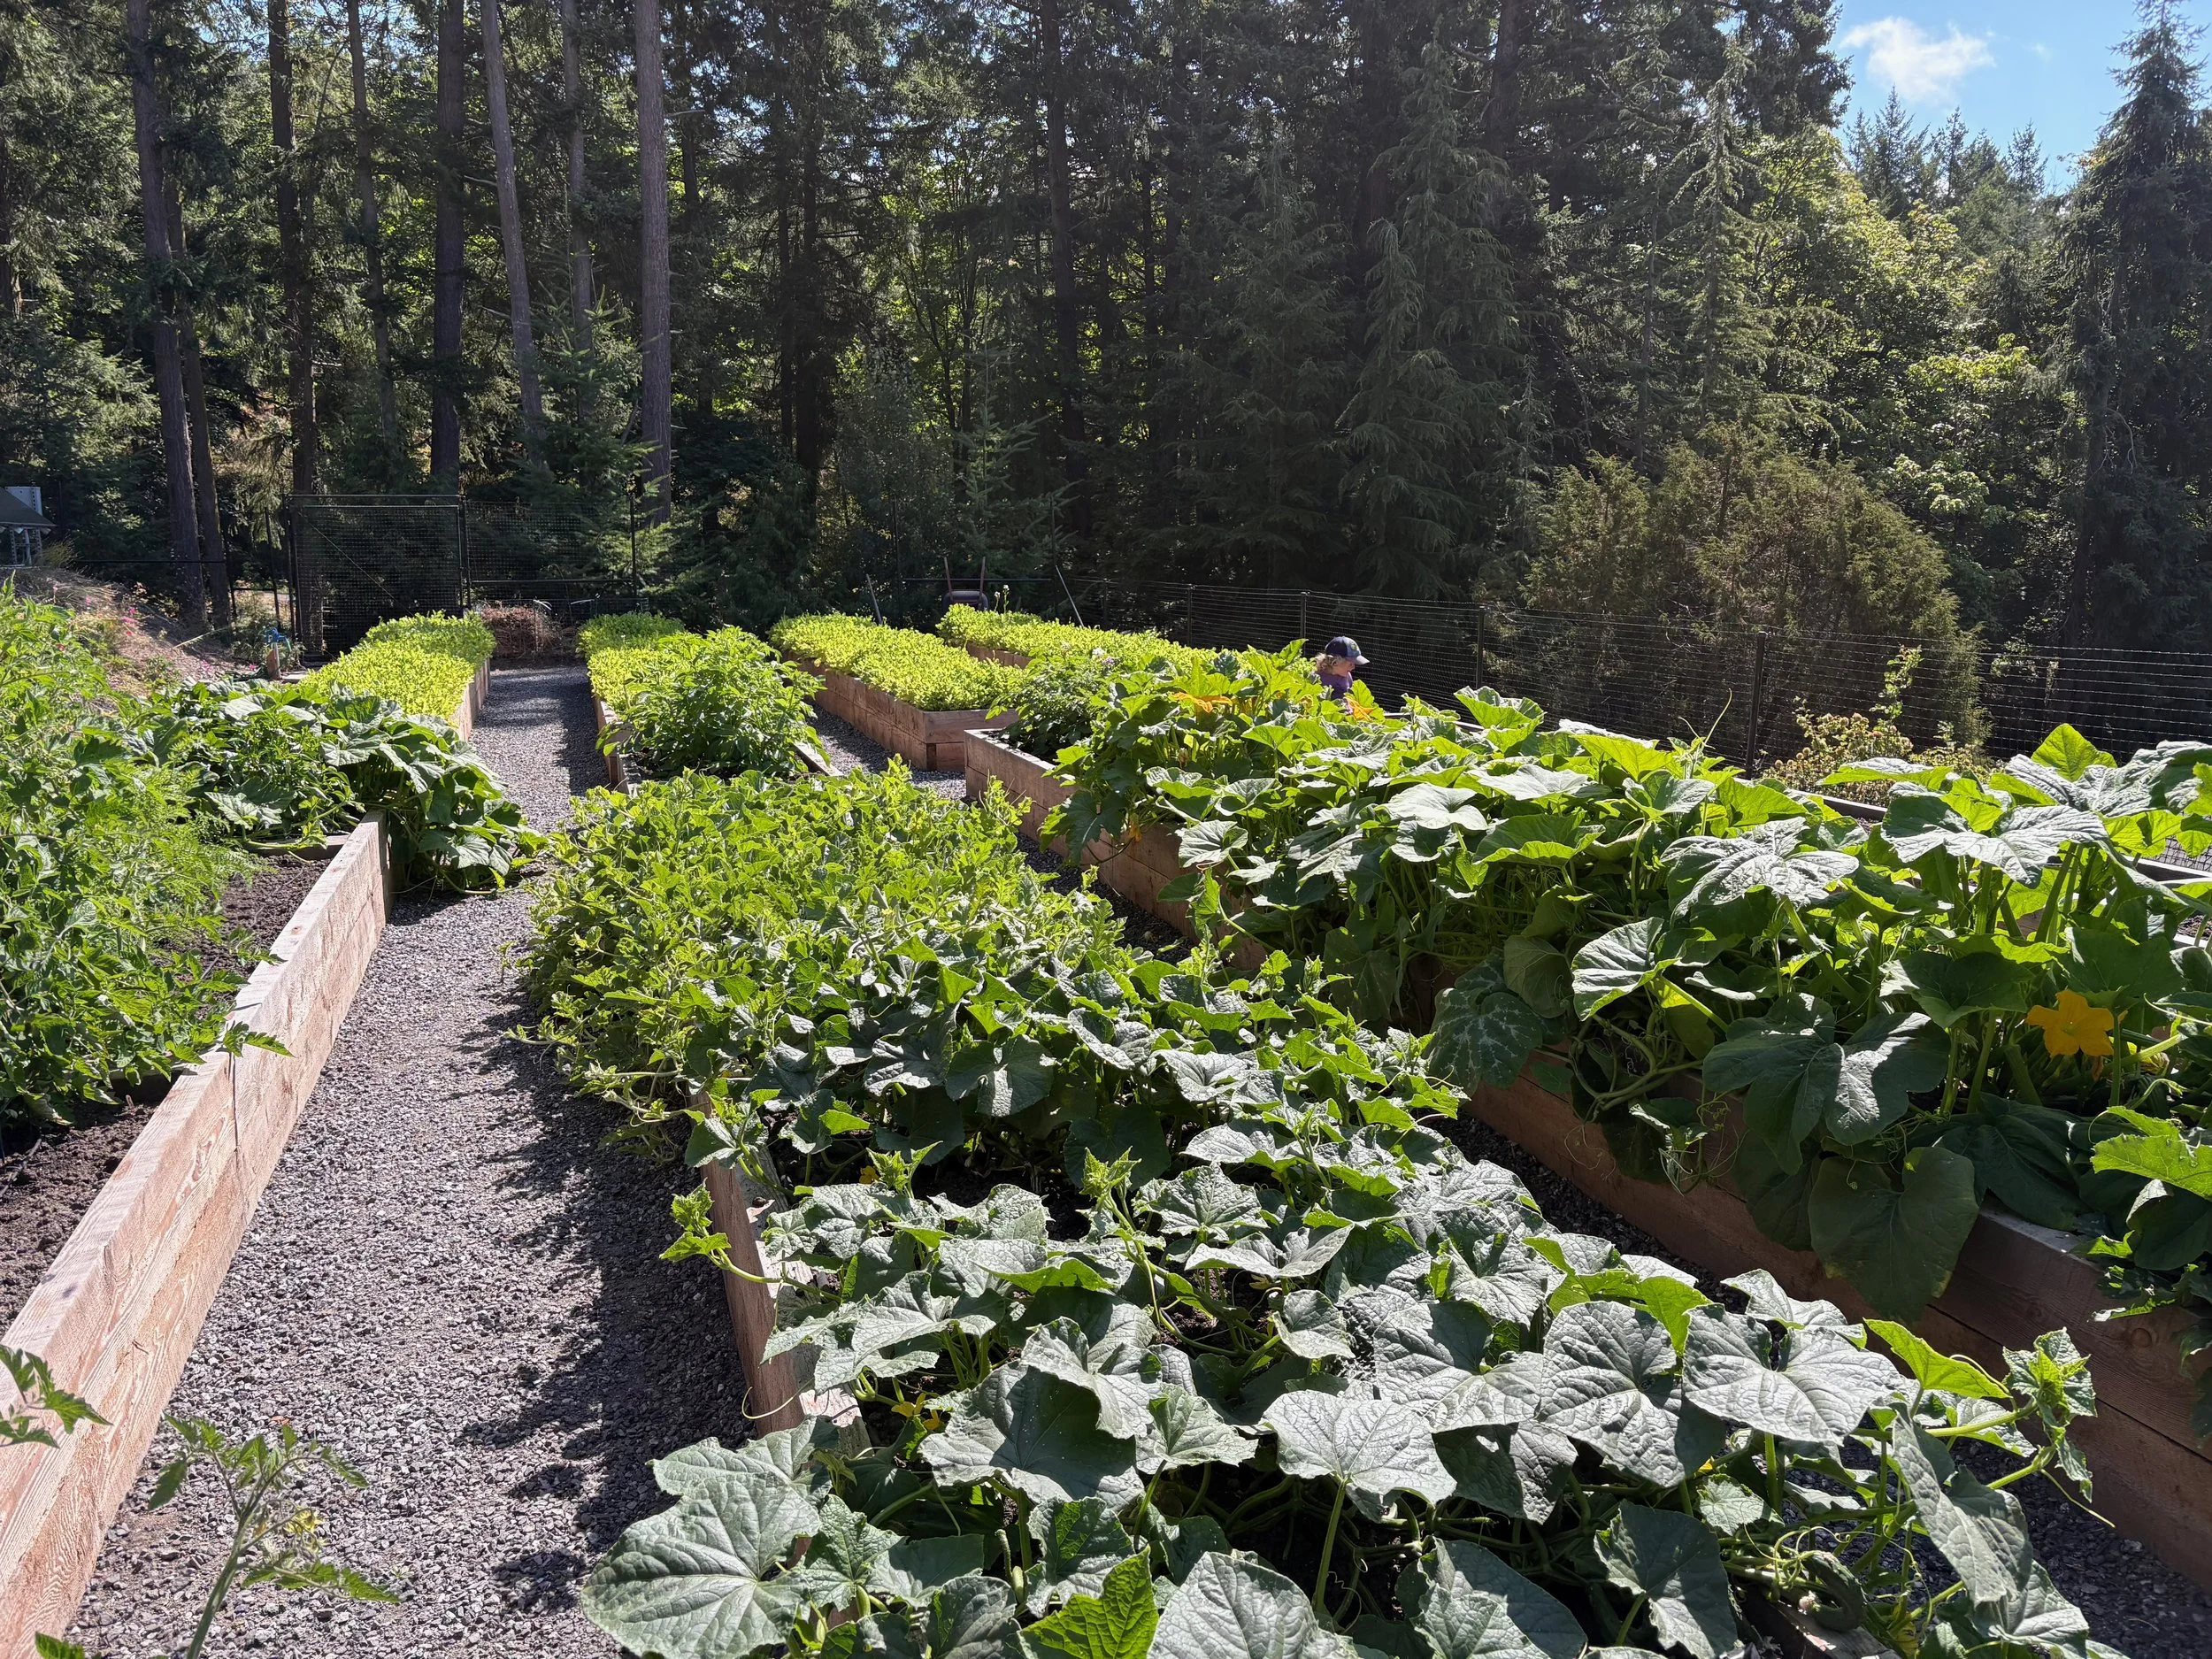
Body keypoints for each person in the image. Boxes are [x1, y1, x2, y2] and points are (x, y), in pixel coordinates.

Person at [1314, 634, 1368, 701]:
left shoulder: (1347, 676)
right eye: (1350, 663)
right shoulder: (1316, 678)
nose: (1353, 667)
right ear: (1334, 662)